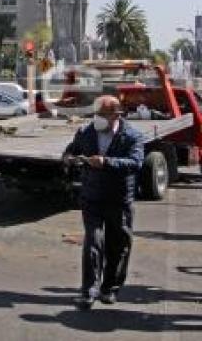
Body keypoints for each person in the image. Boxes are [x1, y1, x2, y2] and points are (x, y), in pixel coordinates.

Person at [65, 95, 144, 311]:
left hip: (119, 199)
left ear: (115, 116)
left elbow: (136, 163)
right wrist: (69, 158)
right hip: (92, 197)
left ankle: (110, 288)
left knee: (118, 245)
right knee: (93, 242)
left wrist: (106, 162)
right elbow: (71, 150)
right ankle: (88, 291)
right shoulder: (86, 132)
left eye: (102, 115)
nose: (97, 118)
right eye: (96, 114)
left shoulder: (132, 136)